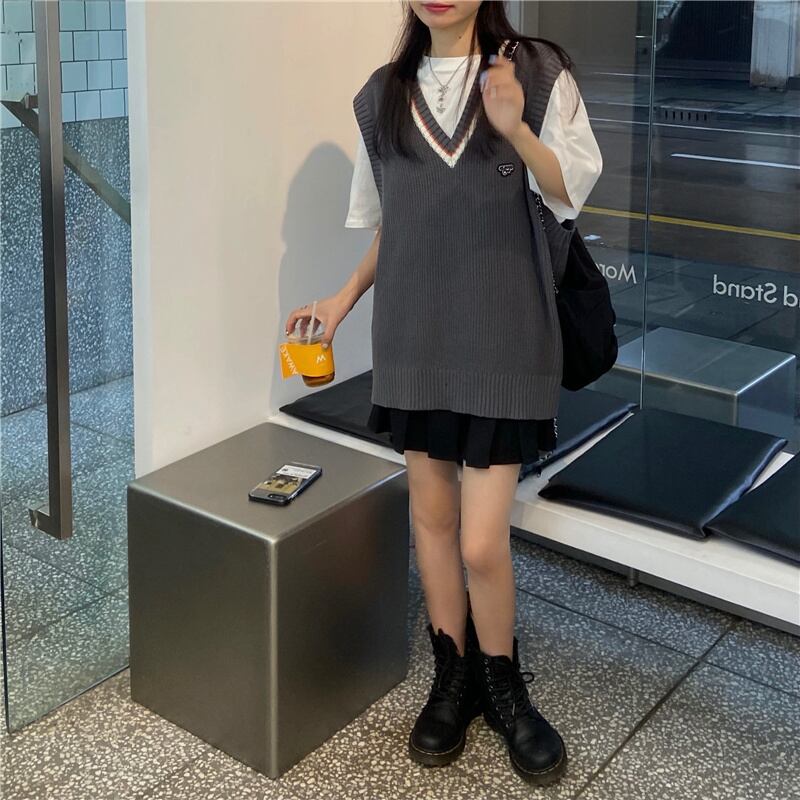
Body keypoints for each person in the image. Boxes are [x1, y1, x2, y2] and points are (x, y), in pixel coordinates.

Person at [284, 0, 601, 787]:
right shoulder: (382, 95)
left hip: (505, 340)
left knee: (482, 542)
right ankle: (452, 674)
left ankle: (503, 682)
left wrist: (517, 130)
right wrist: (341, 301)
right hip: (414, 339)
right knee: (430, 518)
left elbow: (571, 191)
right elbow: (393, 222)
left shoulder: (536, 72)